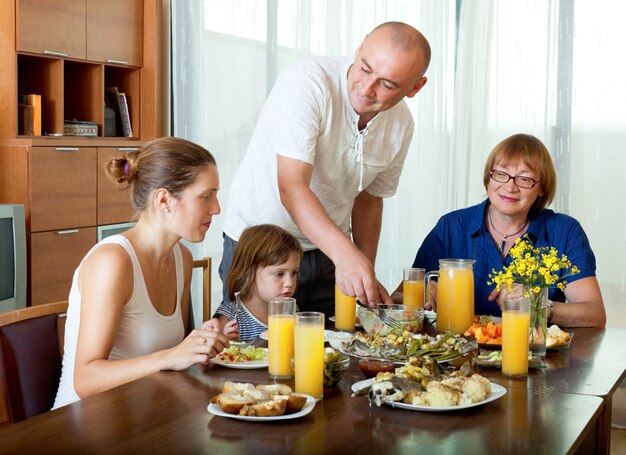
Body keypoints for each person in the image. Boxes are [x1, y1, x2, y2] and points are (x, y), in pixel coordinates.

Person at [220, 21, 431, 315]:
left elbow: (369, 199)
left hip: (327, 251)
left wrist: (362, 269)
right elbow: (292, 186)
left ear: (415, 87)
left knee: (333, 353)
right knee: (256, 353)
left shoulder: (401, 125)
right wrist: (346, 256)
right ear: (360, 47)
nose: (367, 89)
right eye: (365, 68)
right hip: (261, 247)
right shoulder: (307, 84)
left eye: (387, 84)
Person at [53, 137, 230, 409]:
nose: (216, 208)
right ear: (164, 200)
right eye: (206, 196)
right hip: (83, 425)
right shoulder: (112, 262)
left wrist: (201, 342)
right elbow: (85, 380)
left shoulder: (182, 259)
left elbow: (174, 354)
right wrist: (169, 356)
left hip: (145, 416)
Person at [393, 133, 605, 327]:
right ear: (488, 178)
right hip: (457, 352)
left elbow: (594, 314)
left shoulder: (564, 231)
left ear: (541, 188)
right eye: (501, 174)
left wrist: (539, 304)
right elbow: (397, 298)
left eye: (524, 179)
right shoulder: (452, 226)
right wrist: (419, 295)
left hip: (533, 357)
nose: (510, 187)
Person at [213, 224, 303, 341]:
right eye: (279, 274)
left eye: (294, 273)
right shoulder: (230, 318)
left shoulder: (290, 310)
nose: (290, 283)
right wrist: (227, 343)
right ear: (249, 273)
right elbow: (214, 355)